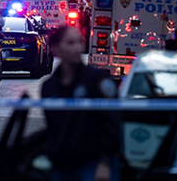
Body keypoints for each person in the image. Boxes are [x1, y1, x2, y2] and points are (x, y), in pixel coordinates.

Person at [41, 25, 120, 181]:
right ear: (55, 49)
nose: (77, 47)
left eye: (79, 42)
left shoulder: (97, 81)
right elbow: (53, 129)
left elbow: (111, 123)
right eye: (70, 43)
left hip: (92, 164)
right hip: (61, 166)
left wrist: (104, 162)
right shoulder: (49, 87)